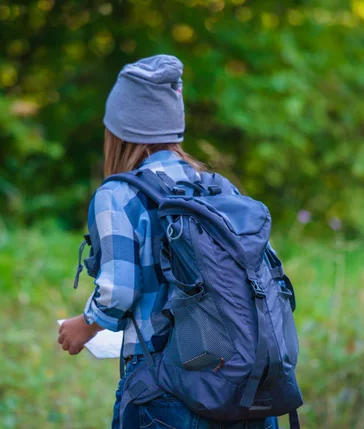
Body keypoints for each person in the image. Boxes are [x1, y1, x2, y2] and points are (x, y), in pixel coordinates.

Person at [58, 55, 281, 429]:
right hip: (242, 385)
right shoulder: (219, 188)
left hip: (165, 394)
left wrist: (84, 325)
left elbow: (119, 291)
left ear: (118, 130)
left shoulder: (118, 194)